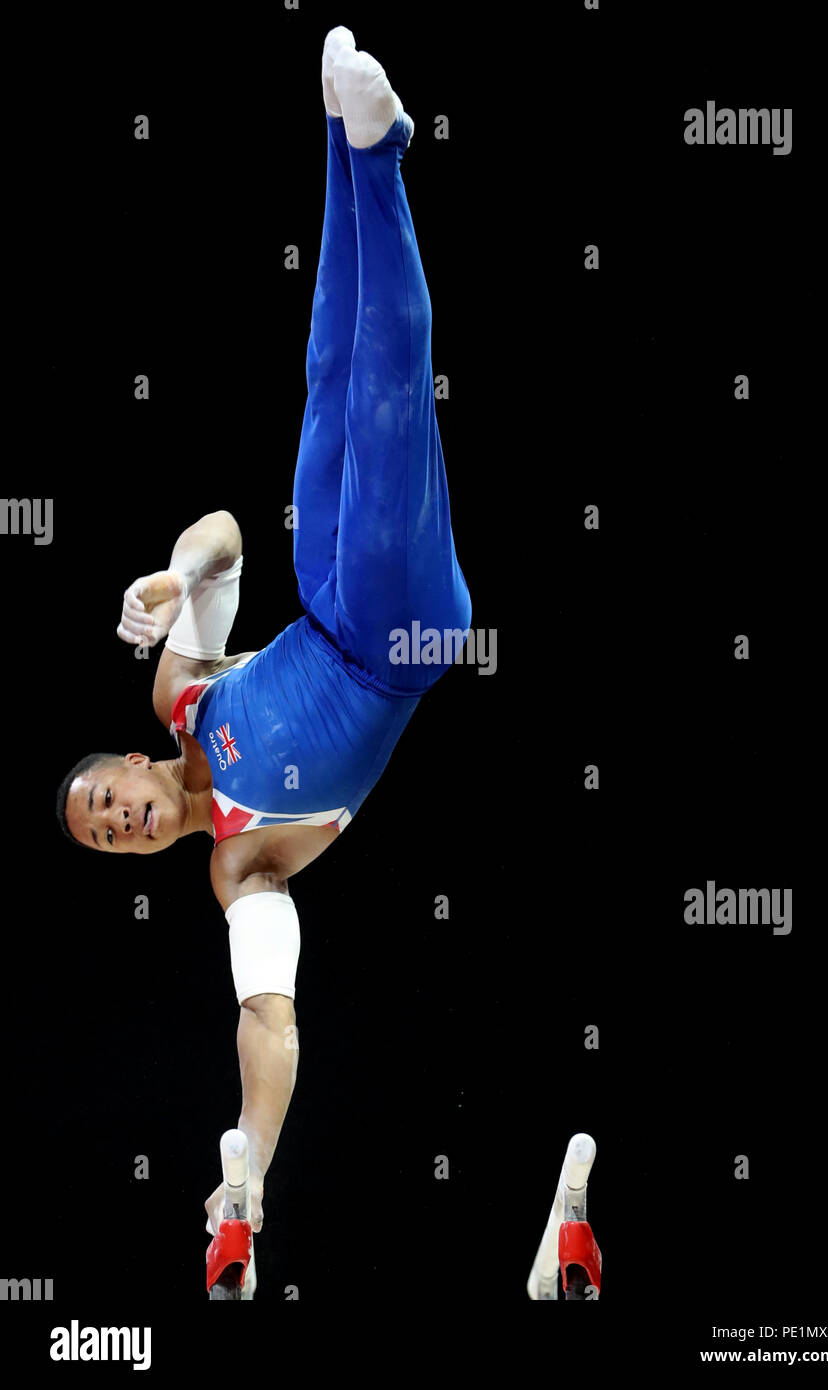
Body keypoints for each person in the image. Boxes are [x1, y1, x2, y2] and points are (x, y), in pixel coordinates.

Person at [54, 27, 471, 1243]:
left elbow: (227, 536)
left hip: (327, 592)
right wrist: (253, 1168)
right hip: (400, 642)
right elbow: (269, 1024)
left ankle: (343, 134)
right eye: (109, 840)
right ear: (136, 854)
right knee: (392, 394)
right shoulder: (243, 872)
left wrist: (171, 574)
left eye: (104, 802)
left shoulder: (179, 703)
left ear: (124, 765)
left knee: (332, 364)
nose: (120, 822)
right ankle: (385, 149)